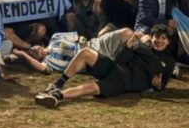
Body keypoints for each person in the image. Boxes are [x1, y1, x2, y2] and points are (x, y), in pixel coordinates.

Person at [33, 25, 177, 108]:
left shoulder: (168, 62)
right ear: (152, 37)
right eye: (157, 37)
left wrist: (158, 87)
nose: (159, 41)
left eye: (163, 38)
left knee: (91, 88)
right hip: (114, 68)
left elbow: (162, 84)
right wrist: (129, 45)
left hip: (123, 83)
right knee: (85, 53)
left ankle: (57, 96)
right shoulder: (141, 48)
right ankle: (58, 84)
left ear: (168, 42)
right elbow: (121, 60)